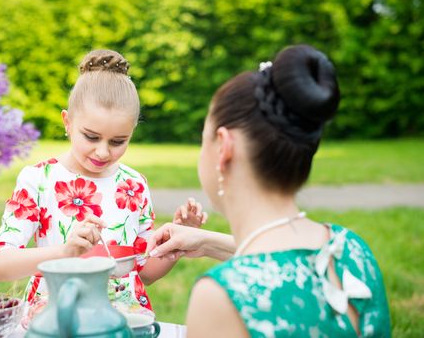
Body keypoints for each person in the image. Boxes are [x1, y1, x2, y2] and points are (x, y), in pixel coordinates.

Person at [147, 45, 390, 337]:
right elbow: (289, 261)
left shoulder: (221, 296)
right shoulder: (351, 250)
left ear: (223, 147)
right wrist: (207, 242)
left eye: (203, 139)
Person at [0, 49, 206, 316]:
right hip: (56, 318)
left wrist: (176, 244)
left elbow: (144, 272)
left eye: (118, 141)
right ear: (67, 122)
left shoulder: (133, 184)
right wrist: (66, 251)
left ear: (132, 131)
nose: (103, 152)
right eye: (91, 137)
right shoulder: (39, 179)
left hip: (125, 320)